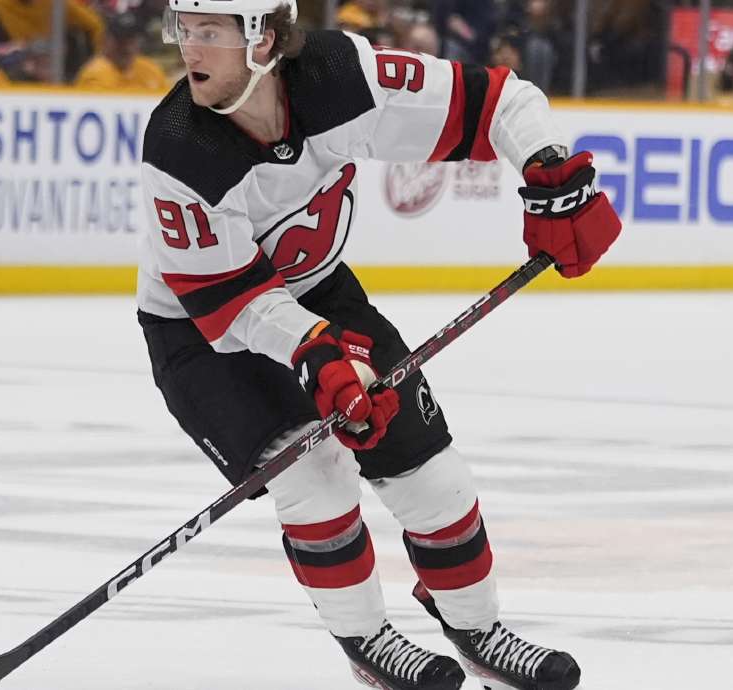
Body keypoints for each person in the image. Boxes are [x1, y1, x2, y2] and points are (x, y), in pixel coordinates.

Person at [136, 1, 622, 689]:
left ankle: (477, 628)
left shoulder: (341, 76)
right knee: (317, 475)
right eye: (184, 29)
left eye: (209, 31)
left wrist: (555, 179)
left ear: (264, 38)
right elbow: (228, 301)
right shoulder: (180, 145)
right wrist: (316, 351)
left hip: (322, 297)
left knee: (435, 477)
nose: (190, 47)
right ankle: (368, 640)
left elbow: (499, 102)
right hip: (203, 335)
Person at [74, 13, 168, 92]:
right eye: (121, 41)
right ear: (105, 41)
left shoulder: (150, 69)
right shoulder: (95, 75)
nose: (127, 48)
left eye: (132, 40)